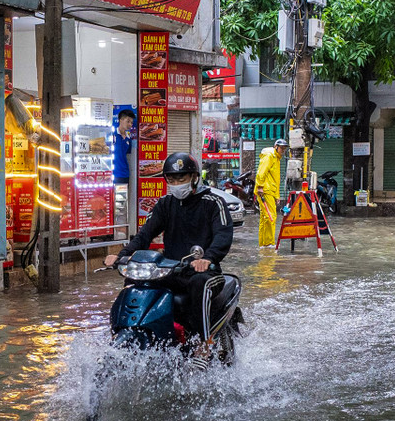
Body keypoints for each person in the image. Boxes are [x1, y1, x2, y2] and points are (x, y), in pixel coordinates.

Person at [104, 152, 233, 353]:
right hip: (170, 271)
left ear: (194, 177)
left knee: (201, 284)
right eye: (171, 179)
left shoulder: (213, 202)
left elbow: (223, 235)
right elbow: (144, 235)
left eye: (181, 178)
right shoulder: (165, 204)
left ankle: (203, 342)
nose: (176, 183)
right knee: (134, 281)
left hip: (205, 272)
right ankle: (127, 331)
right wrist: (122, 255)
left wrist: (208, 258)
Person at [255, 139, 286, 248]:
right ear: (276, 147)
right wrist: (259, 186)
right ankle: (268, 243)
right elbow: (261, 171)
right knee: (270, 216)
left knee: (265, 217)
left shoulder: (276, 158)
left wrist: (277, 196)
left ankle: (263, 244)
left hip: (270, 191)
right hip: (265, 190)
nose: (283, 150)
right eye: (281, 147)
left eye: (284, 148)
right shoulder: (269, 156)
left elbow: (275, 179)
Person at [113, 109, 135, 185]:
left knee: (122, 197)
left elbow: (127, 154)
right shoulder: (112, 134)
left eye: (132, 123)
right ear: (120, 120)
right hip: (111, 175)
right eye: (128, 121)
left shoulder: (129, 139)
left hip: (124, 174)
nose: (130, 124)